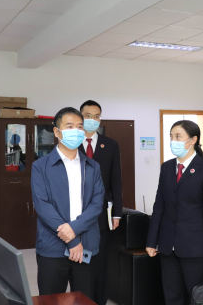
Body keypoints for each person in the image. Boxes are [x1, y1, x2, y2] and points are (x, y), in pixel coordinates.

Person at [31, 107, 105, 300]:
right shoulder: (40, 167)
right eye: (70, 126)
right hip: (52, 248)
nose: (76, 131)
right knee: (50, 300)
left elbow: (97, 203)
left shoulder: (92, 167)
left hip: (87, 246)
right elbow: (42, 205)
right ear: (57, 132)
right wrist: (72, 241)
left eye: (80, 127)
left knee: (84, 300)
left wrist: (74, 230)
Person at [145, 120, 203, 305]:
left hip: (194, 247)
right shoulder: (167, 167)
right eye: (171, 136)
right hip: (167, 246)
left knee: (196, 297)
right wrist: (151, 241)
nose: (173, 141)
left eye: (178, 136)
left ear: (193, 140)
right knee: (172, 296)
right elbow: (159, 206)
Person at [78, 100, 123, 305]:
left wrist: (117, 213)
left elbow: (116, 181)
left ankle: (100, 300)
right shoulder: (72, 143)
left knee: (101, 260)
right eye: (88, 116)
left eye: (96, 116)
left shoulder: (110, 145)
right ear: (80, 117)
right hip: (77, 212)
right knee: (80, 260)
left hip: (103, 213)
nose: (92, 120)